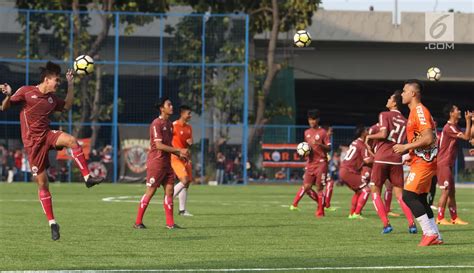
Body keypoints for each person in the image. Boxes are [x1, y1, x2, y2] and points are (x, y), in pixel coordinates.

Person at [0, 62, 103, 240]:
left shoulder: (52, 99)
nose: (58, 83)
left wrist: (71, 84)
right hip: (33, 145)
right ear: (47, 80)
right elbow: (4, 107)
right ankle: (53, 223)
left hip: (47, 135)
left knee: (72, 141)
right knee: (42, 184)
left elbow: (67, 106)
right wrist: (8, 95)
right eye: (57, 80)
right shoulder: (26, 91)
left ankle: (87, 178)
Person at [393, 79, 442, 246]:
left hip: (424, 163)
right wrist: (411, 155)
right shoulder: (415, 112)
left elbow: (428, 138)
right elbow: (423, 138)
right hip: (420, 161)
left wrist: (406, 147)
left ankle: (429, 233)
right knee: (420, 199)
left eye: (405, 91)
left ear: (413, 93)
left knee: (408, 196)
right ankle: (436, 235)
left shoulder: (419, 111)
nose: (402, 94)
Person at [365, 90, 416, 234]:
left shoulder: (384, 115)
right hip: (396, 159)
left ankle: (386, 224)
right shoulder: (406, 121)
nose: (387, 100)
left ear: (394, 102)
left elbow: (383, 134)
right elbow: (410, 142)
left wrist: (369, 136)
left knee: (375, 191)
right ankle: (412, 224)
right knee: (400, 195)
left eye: (390, 98)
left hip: (381, 158)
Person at [134, 98, 189, 229]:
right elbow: (159, 145)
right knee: (151, 191)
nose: (171, 106)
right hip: (156, 162)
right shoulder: (156, 124)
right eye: (168, 105)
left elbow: (169, 145)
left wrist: (179, 154)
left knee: (169, 191)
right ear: (162, 108)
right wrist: (178, 150)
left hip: (166, 163)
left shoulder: (170, 124)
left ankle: (170, 224)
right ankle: (137, 222)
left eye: (171, 104)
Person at [435, 104, 472, 225]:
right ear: (451, 113)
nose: (460, 111)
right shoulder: (448, 127)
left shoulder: (454, 127)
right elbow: (467, 137)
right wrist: (468, 121)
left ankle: (454, 217)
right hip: (443, 163)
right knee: (445, 191)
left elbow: (468, 135)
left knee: (451, 192)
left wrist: (471, 122)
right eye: (457, 109)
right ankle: (440, 218)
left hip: (448, 164)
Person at [290, 109, 330, 217]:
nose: (312, 122)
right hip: (310, 163)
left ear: (318, 120)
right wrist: (303, 153)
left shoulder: (323, 133)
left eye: (314, 119)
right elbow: (307, 148)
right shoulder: (306, 132)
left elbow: (329, 148)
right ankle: (321, 203)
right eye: (310, 120)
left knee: (319, 187)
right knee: (306, 187)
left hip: (321, 163)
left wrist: (319, 144)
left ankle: (321, 211)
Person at [339, 125, 372, 219]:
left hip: (343, 170)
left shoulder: (355, 142)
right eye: (367, 130)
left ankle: (352, 214)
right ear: (363, 133)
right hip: (349, 171)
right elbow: (367, 160)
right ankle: (357, 213)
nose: (369, 131)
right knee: (366, 190)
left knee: (358, 192)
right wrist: (378, 160)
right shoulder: (362, 145)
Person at [171, 105, 194, 216]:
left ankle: (182, 210)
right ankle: (168, 199)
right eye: (188, 113)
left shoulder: (189, 128)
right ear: (182, 113)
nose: (190, 116)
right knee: (184, 180)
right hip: (175, 158)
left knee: (187, 183)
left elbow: (188, 144)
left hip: (185, 158)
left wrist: (189, 147)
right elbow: (167, 141)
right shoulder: (173, 126)